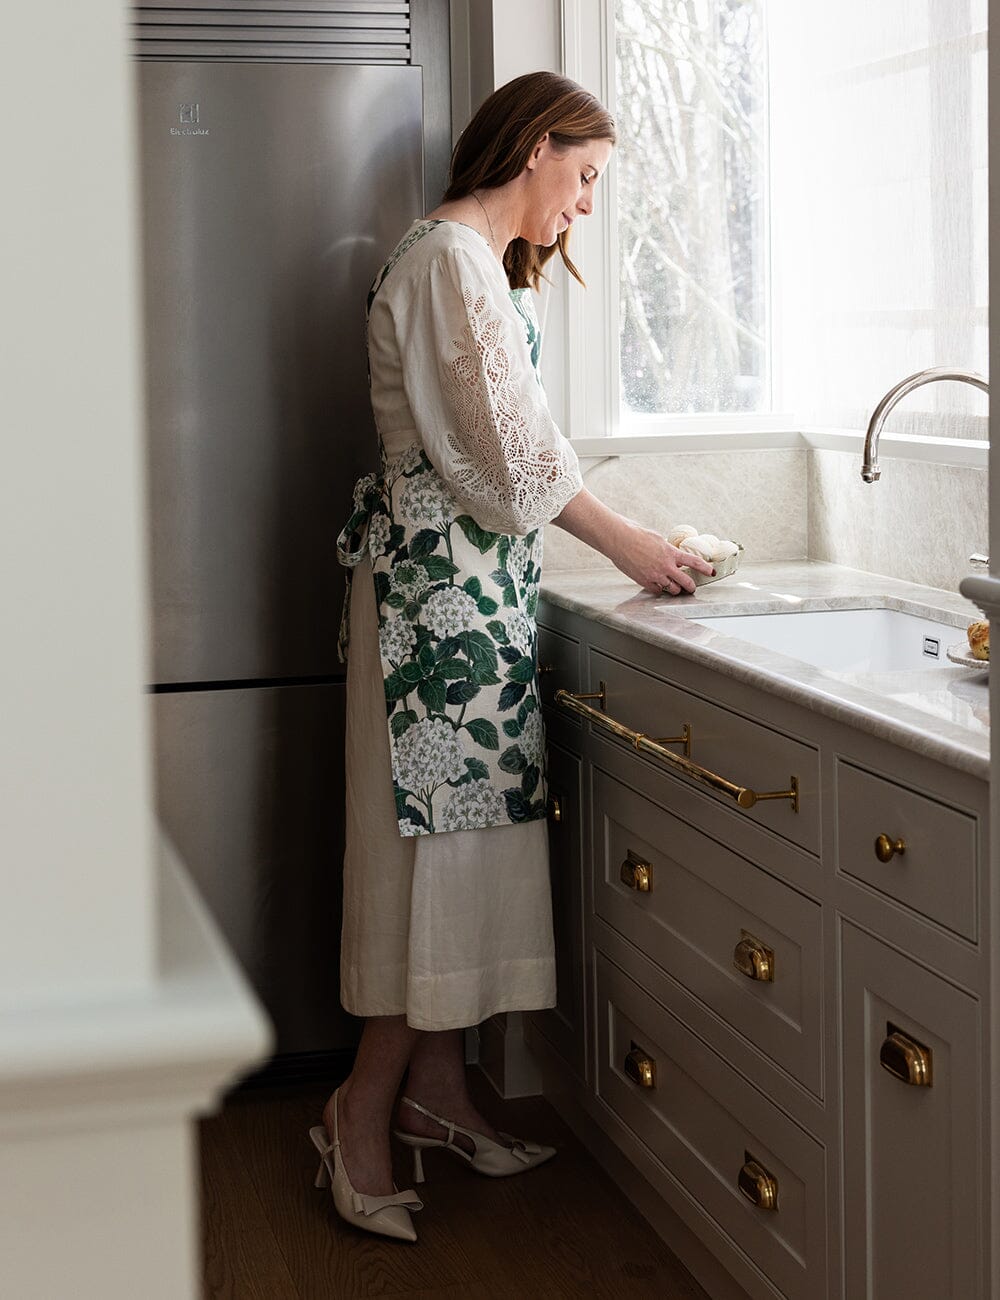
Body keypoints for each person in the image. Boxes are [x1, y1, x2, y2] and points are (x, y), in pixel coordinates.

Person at [311, 70, 713, 1244]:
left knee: (469, 860)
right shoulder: (446, 260)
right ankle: (358, 1109)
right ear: (534, 146)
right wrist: (632, 543)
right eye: (582, 177)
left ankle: (436, 1091)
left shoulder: (471, 262)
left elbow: (513, 452)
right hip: (432, 618)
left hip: (466, 605)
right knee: (421, 871)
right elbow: (515, 456)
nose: (583, 206)